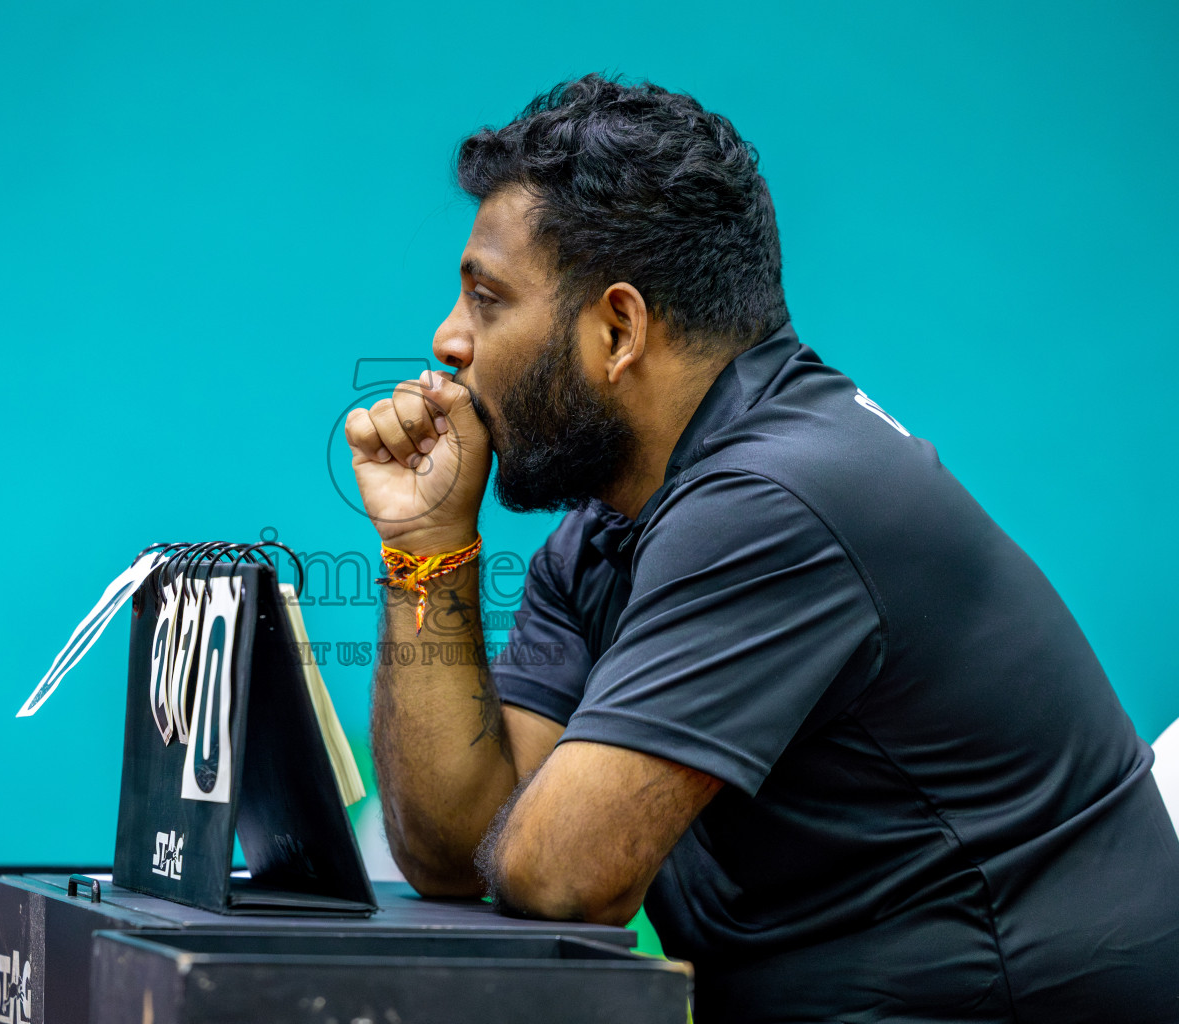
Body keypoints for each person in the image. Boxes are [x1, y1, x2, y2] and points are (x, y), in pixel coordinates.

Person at [344, 74, 1179, 1023]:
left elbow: (564, 876)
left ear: (619, 328)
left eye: (488, 299)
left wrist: (528, 812)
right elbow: (456, 854)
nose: (449, 340)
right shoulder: (611, 530)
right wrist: (425, 546)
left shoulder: (776, 501)